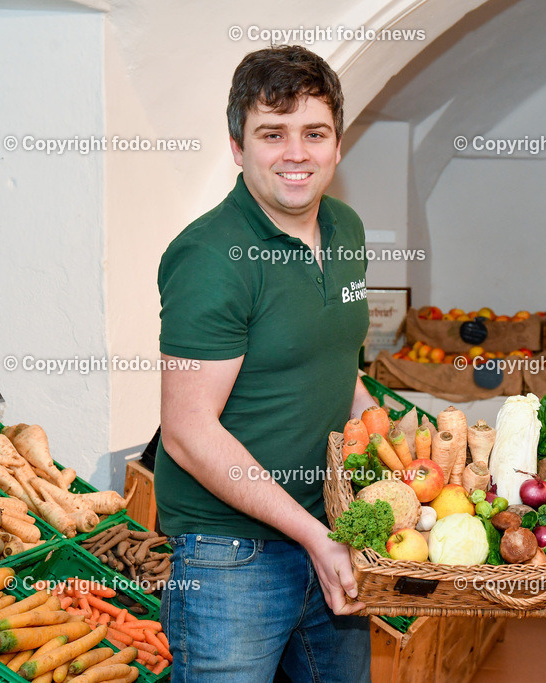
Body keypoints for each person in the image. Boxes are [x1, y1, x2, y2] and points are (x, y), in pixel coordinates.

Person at [155, 45, 376, 683]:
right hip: (231, 558)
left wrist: (399, 435)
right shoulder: (210, 257)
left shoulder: (346, 229)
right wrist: (311, 533)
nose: (296, 153)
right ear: (237, 146)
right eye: (272, 134)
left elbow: (335, 364)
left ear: (338, 144)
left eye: (315, 133)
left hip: (330, 529)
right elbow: (188, 431)